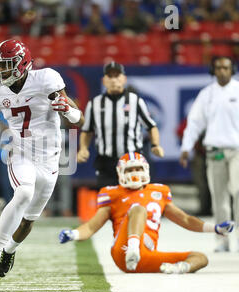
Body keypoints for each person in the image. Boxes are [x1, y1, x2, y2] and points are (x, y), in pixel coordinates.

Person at [0, 39, 84, 277]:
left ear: (23, 63)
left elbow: (78, 119)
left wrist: (68, 110)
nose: (1, 71)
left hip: (49, 157)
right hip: (21, 151)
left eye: (7, 65)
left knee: (29, 220)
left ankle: (9, 250)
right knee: (24, 193)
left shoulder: (46, 79)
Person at [59, 152, 234, 274]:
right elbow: (91, 226)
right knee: (138, 208)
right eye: (129, 170)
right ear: (120, 173)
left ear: (146, 170)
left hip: (147, 254)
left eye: (138, 169)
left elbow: (186, 220)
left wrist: (216, 228)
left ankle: (179, 269)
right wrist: (73, 234)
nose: (134, 173)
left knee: (200, 258)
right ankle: (134, 247)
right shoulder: (112, 193)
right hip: (124, 250)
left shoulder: (159, 191)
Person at [180, 56, 239, 252]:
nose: (222, 71)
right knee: (219, 196)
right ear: (213, 71)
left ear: (232, 70)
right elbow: (194, 122)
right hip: (214, 152)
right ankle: (222, 239)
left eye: (226, 68)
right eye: (219, 68)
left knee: (238, 191)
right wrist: (186, 147)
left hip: (237, 150)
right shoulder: (207, 94)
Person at [77, 61, 164, 190]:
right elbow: (87, 130)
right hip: (105, 162)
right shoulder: (94, 104)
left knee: (133, 200)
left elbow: (151, 126)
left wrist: (155, 144)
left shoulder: (135, 101)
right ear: (104, 80)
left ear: (124, 79)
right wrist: (83, 148)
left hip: (132, 161)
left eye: (117, 76)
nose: (113, 80)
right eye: (110, 76)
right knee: (107, 202)